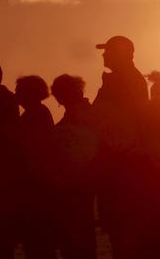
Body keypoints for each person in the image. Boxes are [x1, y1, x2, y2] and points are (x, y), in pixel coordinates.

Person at [92, 35, 148, 258]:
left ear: (122, 54)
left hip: (121, 165)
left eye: (108, 51)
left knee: (122, 232)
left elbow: (109, 118)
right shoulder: (124, 79)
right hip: (120, 164)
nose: (104, 55)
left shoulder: (123, 81)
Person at [51, 75, 99, 259]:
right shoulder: (83, 114)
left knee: (78, 243)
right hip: (77, 186)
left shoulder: (80, 117)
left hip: (75, 186)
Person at [15, 75, 56, 259]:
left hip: (36, 190)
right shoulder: (39, 113)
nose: (16, 93)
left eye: (19, 90)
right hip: (39, 190)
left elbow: (32, 151)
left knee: (38, 246)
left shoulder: (35, 115)